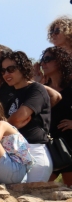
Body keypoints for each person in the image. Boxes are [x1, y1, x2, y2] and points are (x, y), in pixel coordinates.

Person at [2, 51, 53, 182]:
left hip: (34, 151)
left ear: (23, 67)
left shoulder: (36, 89)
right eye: (3, 71)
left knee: (31, 200)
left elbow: (19, 117)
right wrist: (10, 124)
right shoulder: (8, 94)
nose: (6, 74)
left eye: (11, 69)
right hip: (13, 152)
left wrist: (8, 125)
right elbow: (9, 122)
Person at [41, 46, 72, 184]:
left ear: (60, 61)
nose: (43, 63)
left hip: (70, 143)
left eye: (47, 59)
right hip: (49, 144)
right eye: (42, 59)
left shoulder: (70, 86)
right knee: (38, 187)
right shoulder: (42, 87)